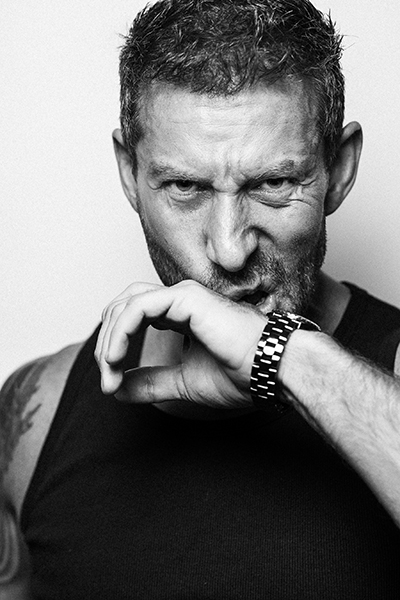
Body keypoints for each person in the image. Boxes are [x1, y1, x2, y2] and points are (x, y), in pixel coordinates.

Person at [2, 0, 400, 598]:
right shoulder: (35, 416)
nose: (230, 249)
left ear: (339, 169)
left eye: (274, 183)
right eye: (185, 186)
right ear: (130, 174)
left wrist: (285, 358)